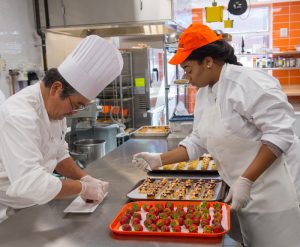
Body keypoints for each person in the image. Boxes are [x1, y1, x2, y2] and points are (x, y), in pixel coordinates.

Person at [132, 24, 300, 247]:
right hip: (244, 189)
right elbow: (197, 141)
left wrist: (246, 179)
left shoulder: (248, 82)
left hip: (276, 192)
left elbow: (280, 134)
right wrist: (159, 160)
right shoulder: (205, 93)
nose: (187, 77)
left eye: (189, 69)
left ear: (208, 61)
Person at [0, 35, 123, 223]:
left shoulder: (54, 110)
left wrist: (86, 178)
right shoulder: (19, 115)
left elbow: (58, 155)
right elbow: (30, 183)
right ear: (57, 88)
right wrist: (81, 188)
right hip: (8, 212)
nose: (74, 112)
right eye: (76, 105)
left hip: (34, 205)